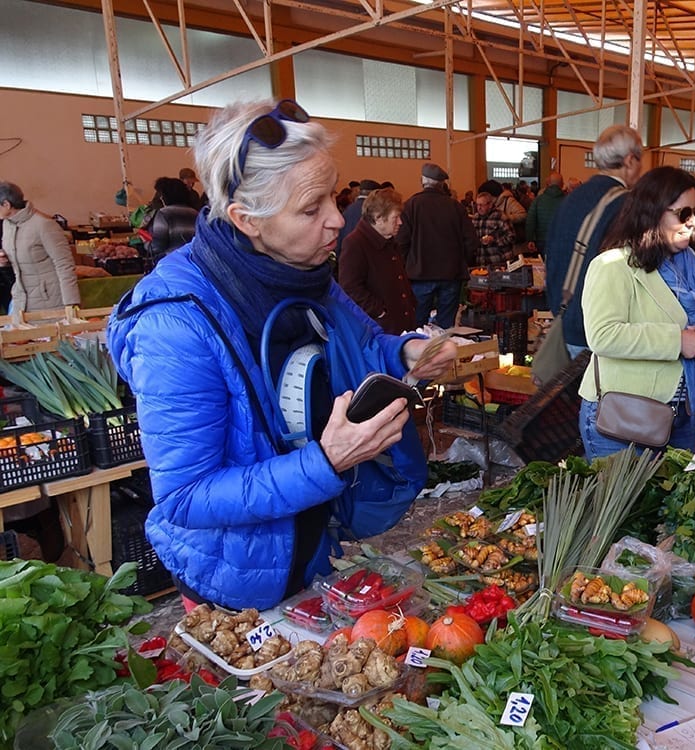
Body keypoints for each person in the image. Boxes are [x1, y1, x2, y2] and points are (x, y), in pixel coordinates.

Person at [106, 99, 457, 612]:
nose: (337, 220)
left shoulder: (304, 271)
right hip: (238, 580)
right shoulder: (176, 326)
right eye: (312, 209)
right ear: (246, 219)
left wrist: (406, 352)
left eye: (333, 198)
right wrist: (327, 461)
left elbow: (364, 346)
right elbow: (185, 497)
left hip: (315, 541)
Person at [576, 166, 695, 460]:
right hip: (626, 418)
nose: (694, 223)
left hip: (686, 413)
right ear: (652, 212)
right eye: (683, 214)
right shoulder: (612, 266)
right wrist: (676, 341)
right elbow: (602, 335)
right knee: (629, 506)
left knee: (672, 504)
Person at [544, 125, 644, 358]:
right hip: (600, 330)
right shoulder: (625, 205)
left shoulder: (570, 199)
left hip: (564, 320)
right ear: (630, 161)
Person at [397, 162, 478, 329]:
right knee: (446, 326)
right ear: (442, 184)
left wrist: (407, 265)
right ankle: (445, 354)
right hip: (451, 274)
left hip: (419, 275)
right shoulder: (456, 207)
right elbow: (471, 240)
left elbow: (402, 241)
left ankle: (419, 355)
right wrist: (462, 261)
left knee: (417, 324)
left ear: (422, 181)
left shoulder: (411, 205)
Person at [339, 188, 416, 335]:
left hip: (400, 324)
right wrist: (380, 311)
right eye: (395, 217)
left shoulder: (388, 241)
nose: (400, 222)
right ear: (378, 218)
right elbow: (350, 288)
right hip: (380, 328)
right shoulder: (355, 243)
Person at [0, 181, 80, 314]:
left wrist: (71, 304)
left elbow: (64, 264)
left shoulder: (44, 225)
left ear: (7, 205)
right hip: (20, 300)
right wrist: (5, 261)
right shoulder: (7, 225)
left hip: (50, 301)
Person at [146, 177, 198, 265]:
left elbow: (158, 247)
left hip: (172, 263)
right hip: (193, 263)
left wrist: (146, 244)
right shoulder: (195, 213)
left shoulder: (164, 214)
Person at [335, 178, 380, 258]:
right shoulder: (371, 210)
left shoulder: (348, 209)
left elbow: (339, 237)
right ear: (373, 193)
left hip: (345, 256)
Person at [470, 191, 516, 267]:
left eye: (482, 205)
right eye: (477, 205)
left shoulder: (500, 216)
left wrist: (494, 240)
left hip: (499, 261)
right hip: (481, 262)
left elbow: (512, 237)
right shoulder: (475, 218)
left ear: (490, 205)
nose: (479, 208)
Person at [525, 171, 565, 256]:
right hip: (561, 240)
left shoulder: (538, 200)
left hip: (542, 240)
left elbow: (530, 221)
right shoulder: (568, 201)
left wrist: (530, 239)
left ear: (548, 184)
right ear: (562, 184)